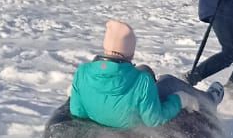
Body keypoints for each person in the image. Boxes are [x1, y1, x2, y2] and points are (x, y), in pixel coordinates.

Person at [70, 19, 210, 129]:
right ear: (130, 51)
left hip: (101, 127)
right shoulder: (142, 81)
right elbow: (154, 120)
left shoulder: (82, 72)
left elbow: (77, 112)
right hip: (132, 137)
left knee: (145, 69)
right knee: (168, 82)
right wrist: (180, 100)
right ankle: (209, 100)